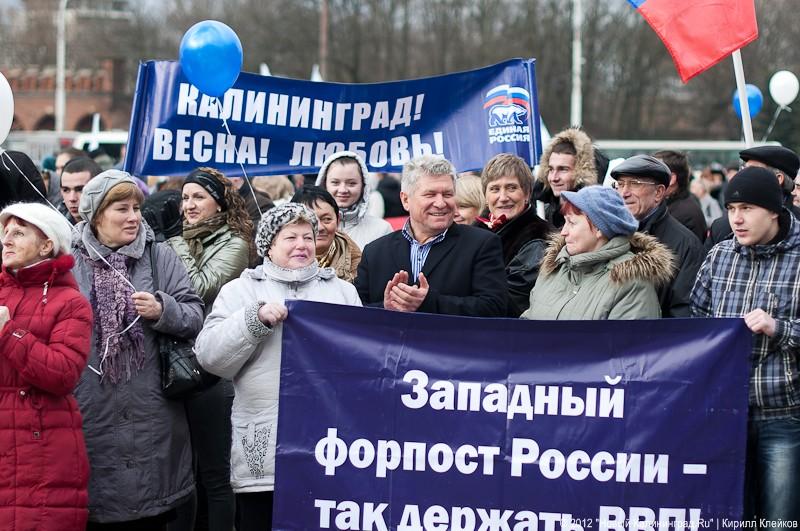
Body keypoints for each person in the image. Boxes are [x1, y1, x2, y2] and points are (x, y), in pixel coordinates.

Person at [194, 203, 362, 531]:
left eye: (308, 237)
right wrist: (252, 320)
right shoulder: (240, 291)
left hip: (329, 450)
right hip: (264, 455)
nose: (301, 244)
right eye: (290, 237)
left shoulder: (343, 293)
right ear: (268, 245)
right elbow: (210, 357)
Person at [70, 169, 204, 529]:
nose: (133, 218)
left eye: (136, 209)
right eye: (122, 210)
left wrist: (164, 310)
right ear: (96, 216)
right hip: (91, 409)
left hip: (152, 411)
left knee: (150, 514)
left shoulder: (160, 256)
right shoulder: (69, 263)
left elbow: (195, 315)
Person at [691, 167, 800, 523]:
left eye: (747, 209)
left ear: (774, 210)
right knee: (729, 517)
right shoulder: (720, 255)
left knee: (778, 519)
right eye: (731, 209)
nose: (736, 219)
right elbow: (695, 322)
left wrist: (777, 327)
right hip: (725, 415)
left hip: (783, 415)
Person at [166, 167, 253, 531]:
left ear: (219, 202)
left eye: (198, 197)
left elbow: (200, 287)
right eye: (185, 198)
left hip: (212, 371)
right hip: (176, 364)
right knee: (180, 476)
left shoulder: (235, 242)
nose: (188, 205)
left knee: (216, 474)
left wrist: (173, 244)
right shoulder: (179, 241)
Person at [0, 202, 93, 531]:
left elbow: (64, 373)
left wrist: (9, 333)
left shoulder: (70, 303)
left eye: (19, 232)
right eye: (5, 232)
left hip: (42, 449)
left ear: (47, 245)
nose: (7, 240)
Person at [355, 154, 507, 317]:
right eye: (430, 194)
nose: (441, 203)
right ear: (406, 200)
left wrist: (429, 303)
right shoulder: (375, 252)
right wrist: (385, 307)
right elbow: (355, 311)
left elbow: (495, 308)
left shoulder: (482, 244)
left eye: (448, 194)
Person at [522, 186, 672, 319]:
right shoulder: (555, 267)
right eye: (565, 222)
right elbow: (527, 327)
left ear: (599, 228)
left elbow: (627, 348)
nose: (563, 232)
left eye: (572, 223)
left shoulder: (632, 284)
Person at [611, 154, 703, 318]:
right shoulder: (606, 233)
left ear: (659, 192)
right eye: (620, 184)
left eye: (634, 184)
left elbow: (682, 313)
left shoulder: (685, 244)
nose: (624, 192)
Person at [474, 153, 553, 316]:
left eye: (511, 188)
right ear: (486, 196)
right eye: (495, 189)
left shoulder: (538, 238)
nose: (503, 197)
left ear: (527, 193)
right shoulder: (475, 232)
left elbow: (510, 300)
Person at [707, 145, 800, 248]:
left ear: (778, 179)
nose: (737, 220)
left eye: (753, 171)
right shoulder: (722, 229)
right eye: (731, 208)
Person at [315, 150, 393, 249]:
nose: (343, 190)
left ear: (363, 186)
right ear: (324, 184)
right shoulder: (308, 227)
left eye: (351, 183)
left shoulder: (381, 230)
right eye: (335, 182)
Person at [291, 185, 362, 283]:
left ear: (337, 221)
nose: (320, 228)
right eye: (310, 220)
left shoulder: (359, 264)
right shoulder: (278, 261)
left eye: (327, 219)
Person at [532, 127, 600, 228]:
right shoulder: (542, 213)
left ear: (581, 172)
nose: (554, 178)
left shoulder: (594, 219)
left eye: (563, 169)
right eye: (550, 169)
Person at [653, 150, 707, 242]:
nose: (649, 178)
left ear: (671, 179)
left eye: (654, 173)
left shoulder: (685, 214)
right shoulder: (669, 205)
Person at [59, 156, 103, 225]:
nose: (72, 198)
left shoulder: (113, 226)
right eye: (66, 190)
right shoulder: (54, 227)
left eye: (80, 190)